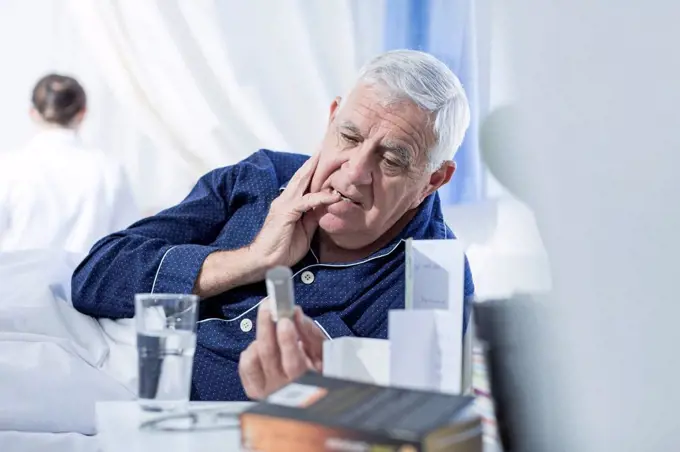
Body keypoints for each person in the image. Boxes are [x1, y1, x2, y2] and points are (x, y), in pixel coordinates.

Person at [72, 50, 475, 401]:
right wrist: (251, 260)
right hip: (111, 378)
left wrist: (315, 397)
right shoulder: (261, 177)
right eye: (349, 137)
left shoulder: (433, 276)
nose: (354, 174)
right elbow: (94, 278)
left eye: (391, 160)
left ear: (433, 180)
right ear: (332, 118)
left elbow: (410, 424)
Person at [0, 73, 138, 254]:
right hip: (82, 281)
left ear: (33, 113)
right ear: (82, 113)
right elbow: (126, 241)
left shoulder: (8, 167)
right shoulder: (109, 170)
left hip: (15, 280)